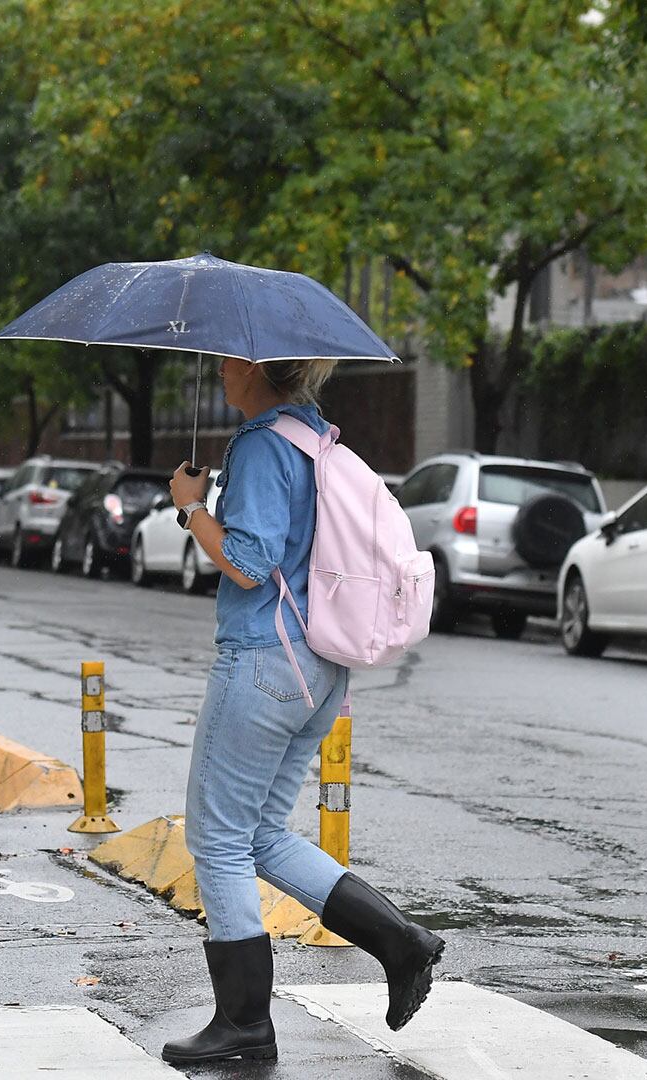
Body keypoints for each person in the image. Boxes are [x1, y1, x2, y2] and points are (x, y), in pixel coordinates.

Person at [163, 356, 444, 1066]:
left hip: (263, 661)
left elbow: (251, 563)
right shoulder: (315, 436)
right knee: (260, 833)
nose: (220, 371)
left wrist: (192, 506)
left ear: (258, 369)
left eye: (229, 360)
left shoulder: (260, 444)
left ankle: (244, 1024)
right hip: (319, 668)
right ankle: (400, 942)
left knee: (219, 839)